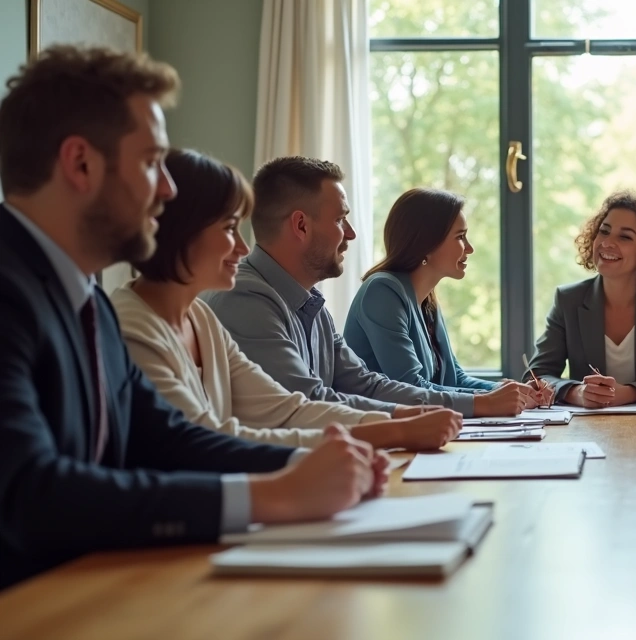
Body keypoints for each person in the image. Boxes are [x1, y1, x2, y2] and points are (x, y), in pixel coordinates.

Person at [0, 46, 389, 590]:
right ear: (80, 163)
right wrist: (272, 495)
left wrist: (305, 468)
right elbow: (29, 494)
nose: (169, 188)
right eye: (151, 161)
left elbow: (171, 438)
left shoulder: (84, 297)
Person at [113, 149, 461, 450]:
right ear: (184, 233)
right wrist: (393, 429)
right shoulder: (140, 326)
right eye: (229, 228)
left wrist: (398, 423)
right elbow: (206, 443)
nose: (242, 246)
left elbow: (289, 408)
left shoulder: (202, 319)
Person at [201, 157, 529, 418]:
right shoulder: (246, 299)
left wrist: (479, 403)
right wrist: (434, 416)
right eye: (341, 219)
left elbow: (366, 385)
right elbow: (308, 404)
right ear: (301, 225)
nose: (351, 234)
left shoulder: (311, 304)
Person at [344, 188, 551, 406]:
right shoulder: (382, 292)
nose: (469, 248)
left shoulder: (427, 301)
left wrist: (507, 389)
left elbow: (455, 378)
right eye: (460, 237)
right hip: (380, 431)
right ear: (426, 244)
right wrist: (488, 400)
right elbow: (410, 387)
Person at [527, 189, 636, 408]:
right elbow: (536, 376)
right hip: (586, 429)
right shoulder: (568, 300)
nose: (607, 243)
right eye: (604, 231)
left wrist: (633, 392)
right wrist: (577, 392)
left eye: (625, 236)